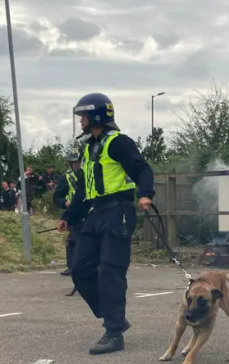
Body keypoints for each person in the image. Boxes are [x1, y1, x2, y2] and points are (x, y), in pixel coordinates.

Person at [62, 93, 154, 355]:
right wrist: (69, 217)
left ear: (97, 116)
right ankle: (115, 318)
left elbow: (142, 169)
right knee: (80, 269)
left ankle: (114, 333)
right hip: (96, 212)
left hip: (119, 211)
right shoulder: (90, 148)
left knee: (110, 271)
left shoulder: (118, 143)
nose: (80, 121)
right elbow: (82, 188)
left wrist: (145, 193)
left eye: (84, 115)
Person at [53, 150, 82, 277]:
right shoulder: (67, 177)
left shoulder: (91, 173)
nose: (77, 165)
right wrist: (65, 203)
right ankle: (72, 266)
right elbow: (57, 197)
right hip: (74, 212)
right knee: (73, 240)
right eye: (74, 162)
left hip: (91, 210)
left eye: (79, 161)